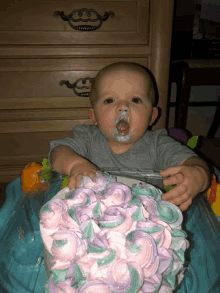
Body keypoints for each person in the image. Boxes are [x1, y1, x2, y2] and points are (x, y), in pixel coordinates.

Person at [49, 62, 211, 212]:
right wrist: (76, 165)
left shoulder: (159, 144)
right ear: (94, 117)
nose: (122, 107)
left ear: (152, 116)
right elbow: (58, 152)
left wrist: (199, 175)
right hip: (94, 218)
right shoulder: (88, 139)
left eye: (135, 99)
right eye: (109, 100)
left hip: (148, 223)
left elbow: (192, 162)